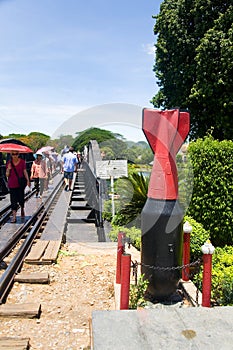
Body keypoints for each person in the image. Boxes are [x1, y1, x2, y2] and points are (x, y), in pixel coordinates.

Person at [6, 152, 30, 223]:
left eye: (16, 154)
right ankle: (14, 217)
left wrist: (28, 180)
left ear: (18, 154)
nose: (15, 155)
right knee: (13, 201)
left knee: (21, 198)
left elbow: (24, 171)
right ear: (11, 155)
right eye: (13, 154)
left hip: (20, 184)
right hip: (12, 184)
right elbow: (7, 175)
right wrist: (9, 169)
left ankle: (22, 208)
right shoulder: (9, 163)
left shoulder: (22, 162)